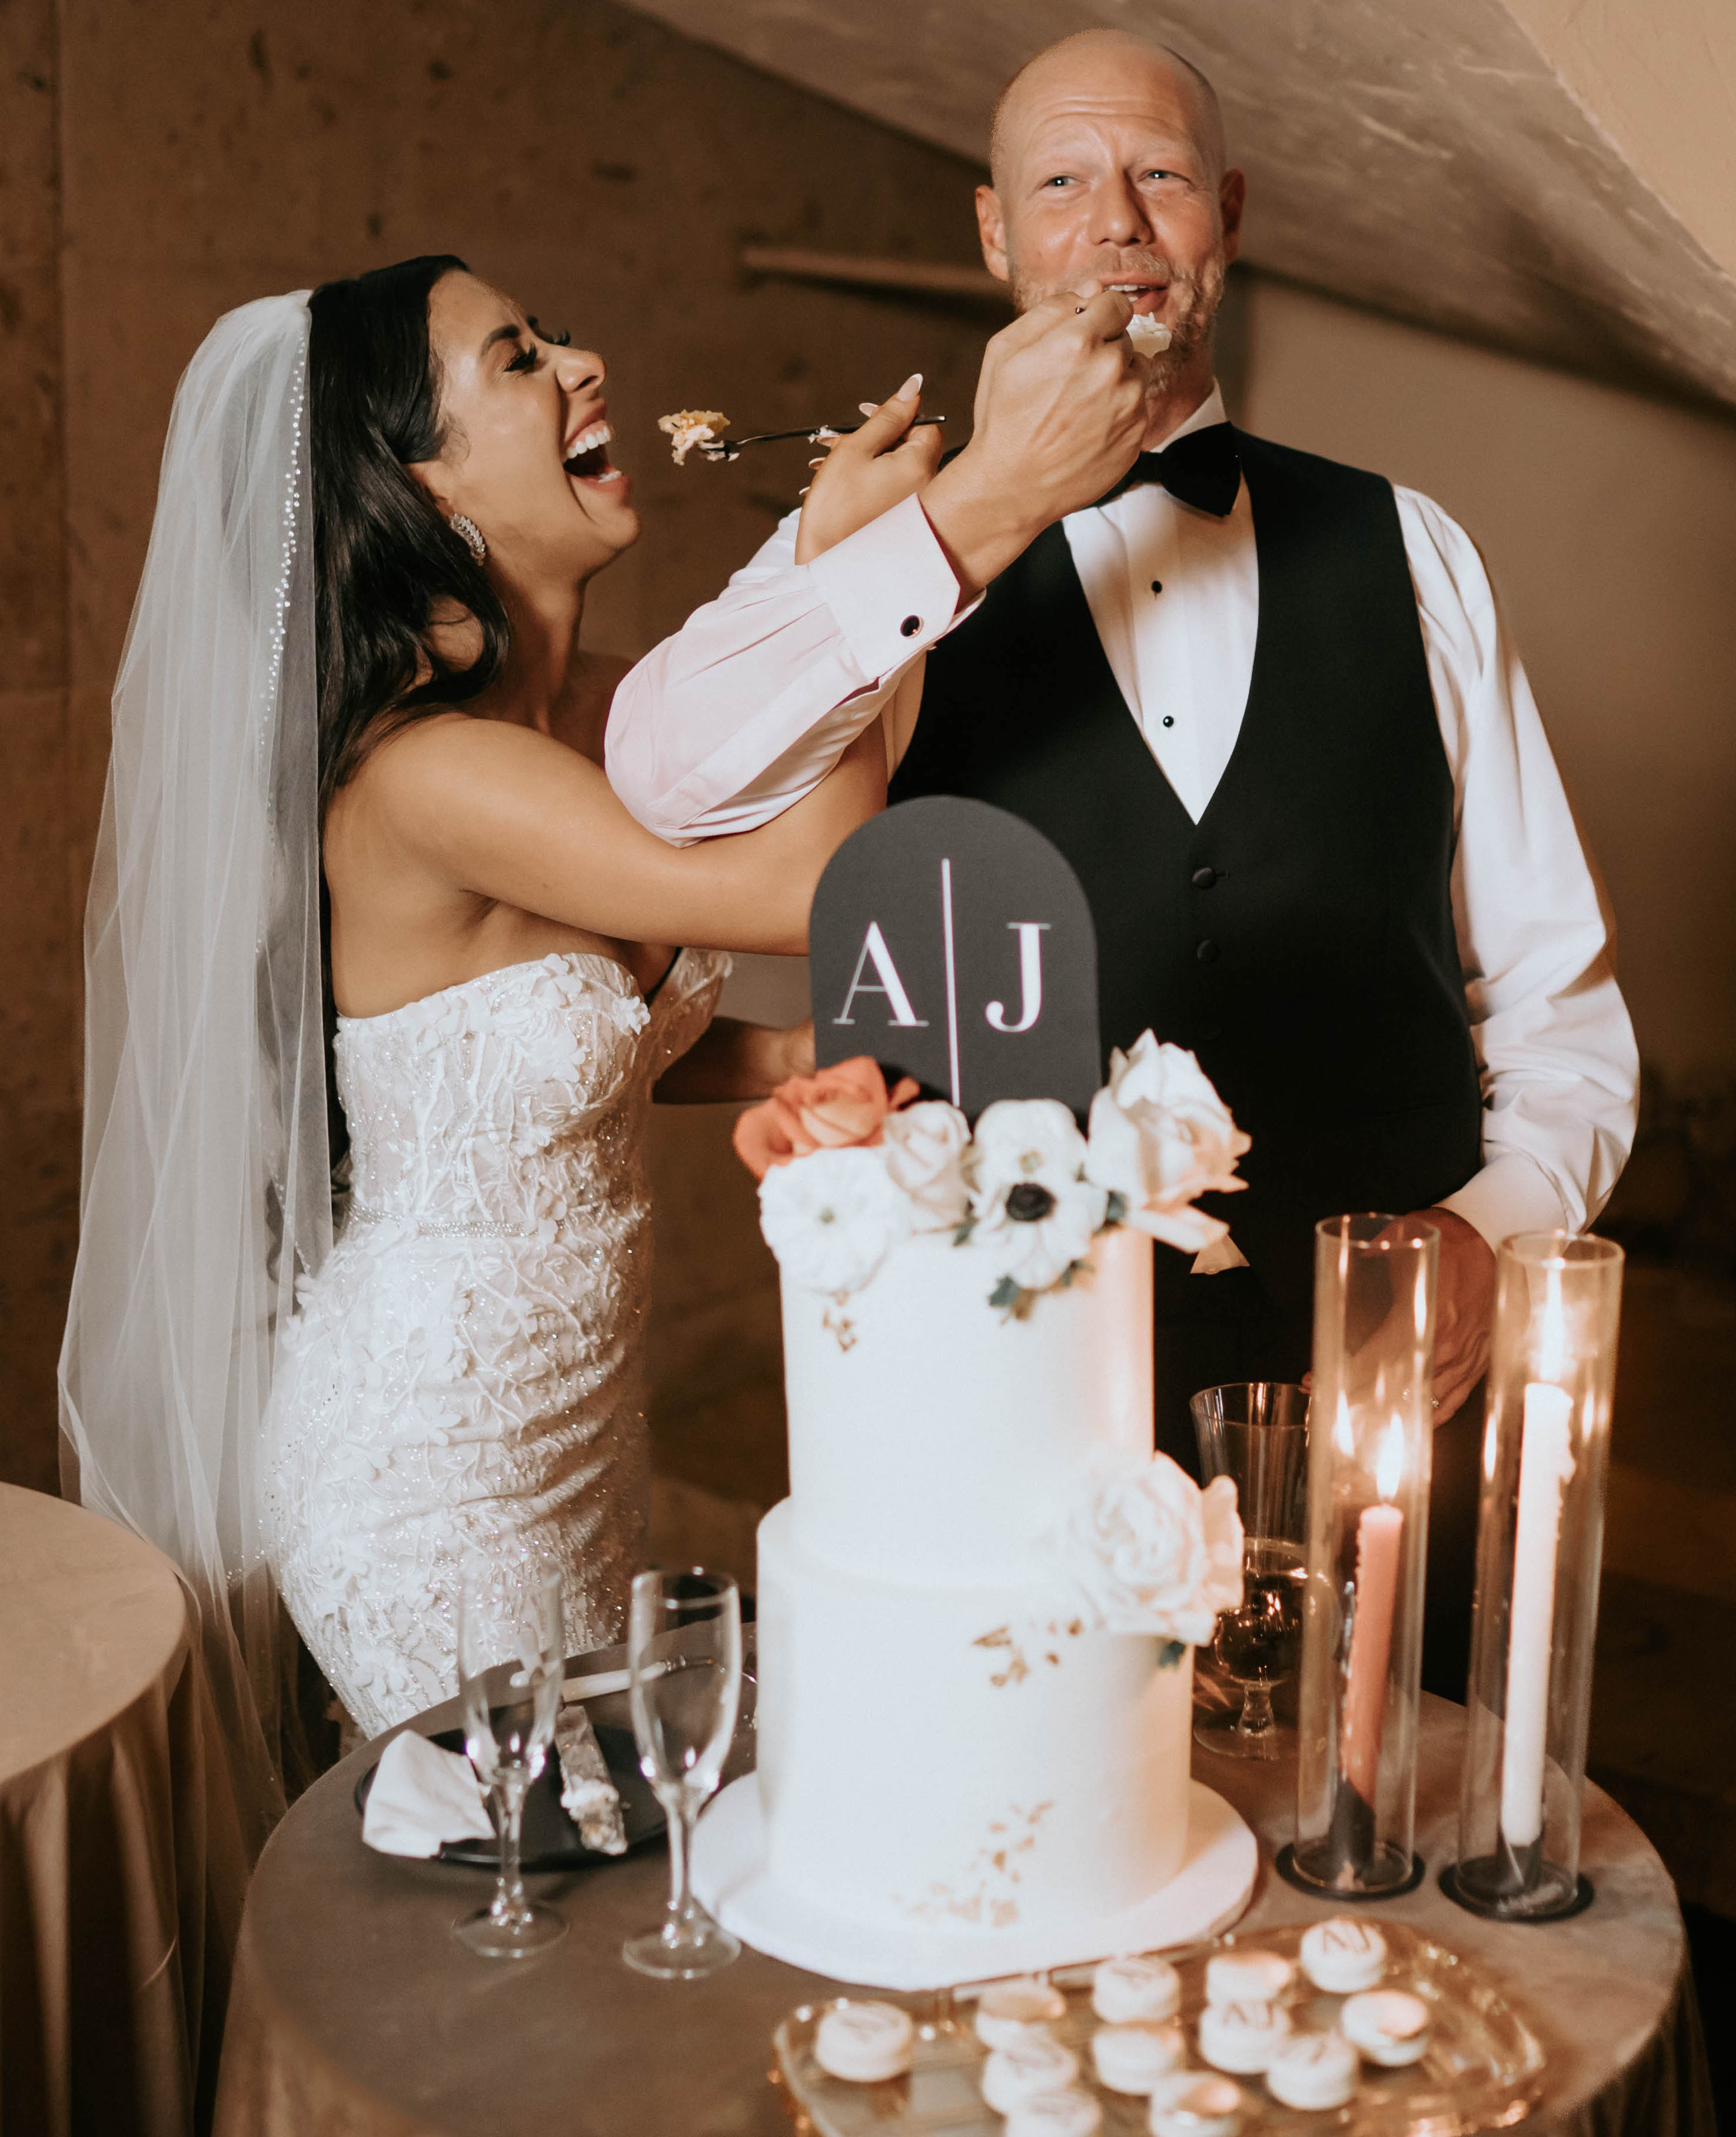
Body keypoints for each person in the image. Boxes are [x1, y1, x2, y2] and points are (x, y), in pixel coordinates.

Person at [603, 34, 1641, 1696]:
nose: (1119, 227)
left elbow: (1562, 1004)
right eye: (1063, 186)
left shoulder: (1412, 549)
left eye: (1160, 178)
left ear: (1225, 219)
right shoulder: (886, 550)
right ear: (995, 239)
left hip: (1371, 1422)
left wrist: (1487, 1227)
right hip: (1012, 1411)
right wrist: (982, 507)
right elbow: (661, 778)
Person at [61, 254, 1147, 1789]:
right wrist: (870, 567)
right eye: (515, 360)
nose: (581, 361)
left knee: (613, 1854)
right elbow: (816, 884)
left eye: (554, 329)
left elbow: (556, 1034)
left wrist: (778, 1062)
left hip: (577, 1436)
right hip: (426, 1471)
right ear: (424, 489)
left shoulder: (607, 717)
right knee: (525, 1897)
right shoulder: (422, 775)